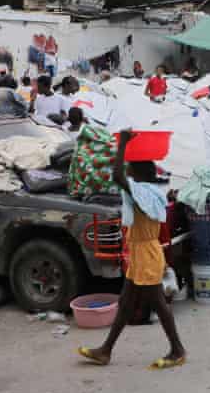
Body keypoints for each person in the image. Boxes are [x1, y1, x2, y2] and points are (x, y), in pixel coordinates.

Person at [77, 130, 186, 369]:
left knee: (158, 303)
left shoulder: (141, 194)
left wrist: (124, 144)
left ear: (137, 174)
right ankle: (105, 350)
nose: (127, 171)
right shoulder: (148, 193)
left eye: (130, 168)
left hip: (146, 254)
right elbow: (122, 179)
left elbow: (117, 176)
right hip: (141, 253)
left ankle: (177, 349)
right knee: (126, 303)